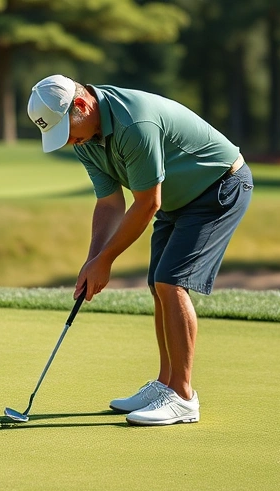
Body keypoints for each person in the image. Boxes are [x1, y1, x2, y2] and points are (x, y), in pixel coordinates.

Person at [27, 74, 253, 426]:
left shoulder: (135, 122)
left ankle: (182, 396)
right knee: (157, 284)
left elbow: (148, 203)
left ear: (83, 105)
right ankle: (165, 384)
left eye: (66, 131)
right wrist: (92, 261)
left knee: (171, 282)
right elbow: (109, 204)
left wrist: (106, 261)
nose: (69, 142)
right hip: (179, 201)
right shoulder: (86, 139)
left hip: (218, 187)